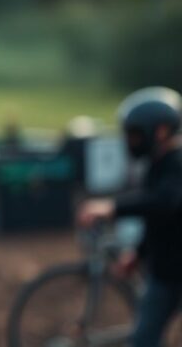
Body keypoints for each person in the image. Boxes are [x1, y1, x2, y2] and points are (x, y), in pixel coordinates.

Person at [77, 86, 182, 347]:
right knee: (143, 338)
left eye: (135, 135)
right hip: (165, 272)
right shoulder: (156, 164)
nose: (130, 142)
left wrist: (112, 207)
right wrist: (138, 254)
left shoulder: (177, 163)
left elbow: (166, 202)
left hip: (174, 270)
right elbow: (159, 221)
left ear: (161, 130)